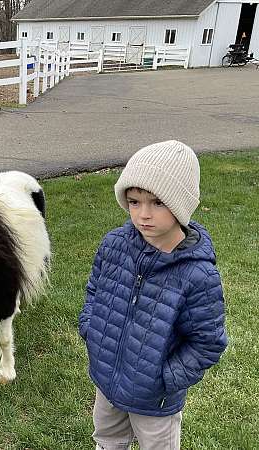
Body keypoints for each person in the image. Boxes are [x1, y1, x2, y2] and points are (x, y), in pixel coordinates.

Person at [78, 140, 228, 449]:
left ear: (180, 204)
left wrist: (165, 380)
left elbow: (208, 342)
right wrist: (91, 330)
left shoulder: (198, 275)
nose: (143, 214)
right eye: (134, 201)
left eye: (158, 202)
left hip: (154, 401)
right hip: (106, 379)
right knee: (106, 439)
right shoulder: (113, 245)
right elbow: (94, 290)